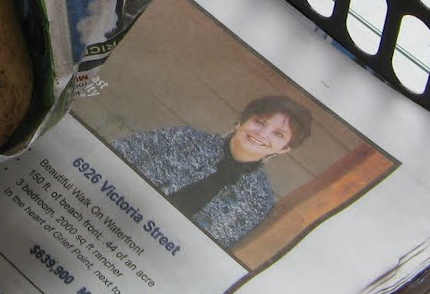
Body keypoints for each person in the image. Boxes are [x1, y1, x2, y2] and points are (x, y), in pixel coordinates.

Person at [112, 95, 313, 248]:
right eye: (260, 122)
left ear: (284, 149)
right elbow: (115, 155)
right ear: (242, 121)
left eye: (278, 135)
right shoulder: (183, 138)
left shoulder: (259, 201)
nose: (262, 134)